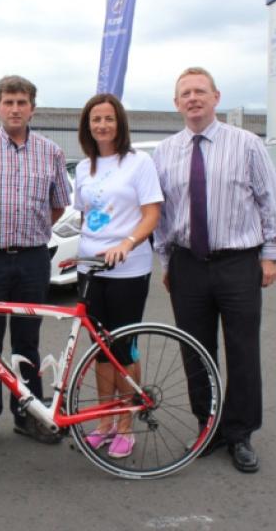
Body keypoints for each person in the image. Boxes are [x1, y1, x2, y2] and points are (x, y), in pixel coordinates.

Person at [153, 66, 276, 473]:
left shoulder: (246, 144)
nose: (193, 98)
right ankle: (207, 426)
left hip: (237, 263)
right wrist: (167, 261)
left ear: (216, 97)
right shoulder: (165, 152)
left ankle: (240, 433)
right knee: (195, 350)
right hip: (187, 263)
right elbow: (161, 213)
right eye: (185, 93)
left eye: (200, 91)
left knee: (242, 350)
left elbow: (270, 200)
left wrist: (270, 254)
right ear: (176, 103)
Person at [0, 75, 71, 450]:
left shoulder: (51, 152)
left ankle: (29, 416)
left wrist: (31, 231)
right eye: (8, 102)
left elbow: (58, 205)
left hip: (32, 260)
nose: (15, 108)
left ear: (32, 109)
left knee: (27, 342)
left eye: (22, 102)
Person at [73, 94, 163, 459]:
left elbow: (152, 214)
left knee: (123, 346)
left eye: (108, 118)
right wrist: (81, 252)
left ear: (120, 123)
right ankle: (104, 422)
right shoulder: (84, 167)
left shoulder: (139, 163)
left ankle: (125, 424)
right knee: (99, 348)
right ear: (87, 126)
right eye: (96, 119)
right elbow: (87, 215)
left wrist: (126, 243)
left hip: (128, 268)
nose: (102, 125)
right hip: (89, 268)